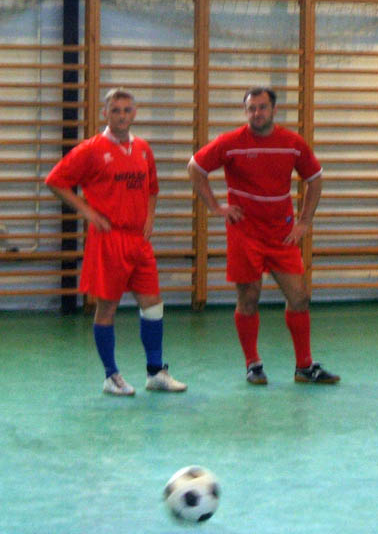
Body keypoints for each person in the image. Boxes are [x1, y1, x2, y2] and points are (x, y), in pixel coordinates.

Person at [187, 86, 338, 385]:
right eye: (251, 108)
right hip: (245, 234)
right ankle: (253, 364)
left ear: (274, 110)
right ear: (246, 112)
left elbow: (315, 179)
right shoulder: (230, 142)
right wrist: (216, 206)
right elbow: (195, 167)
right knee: (248, 298)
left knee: (299, 297)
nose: (257, 113)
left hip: (282, 235)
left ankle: (304, 366)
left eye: (262, 107)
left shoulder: (292, 143)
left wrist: (304, 222)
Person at [45, 88, 187, 396]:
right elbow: (55, 181)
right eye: (115, 110)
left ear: (134, 113)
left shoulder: (143, 149)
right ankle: (111, 375)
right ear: (105, 113)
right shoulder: (91, 149)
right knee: (107, 307)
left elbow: (152, 188)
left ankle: (155, 372)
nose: (121, 116)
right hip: (109, 239)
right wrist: (87, 211)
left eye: (126, 110)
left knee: (153, 305)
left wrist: (150, 217)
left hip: (138, 241)